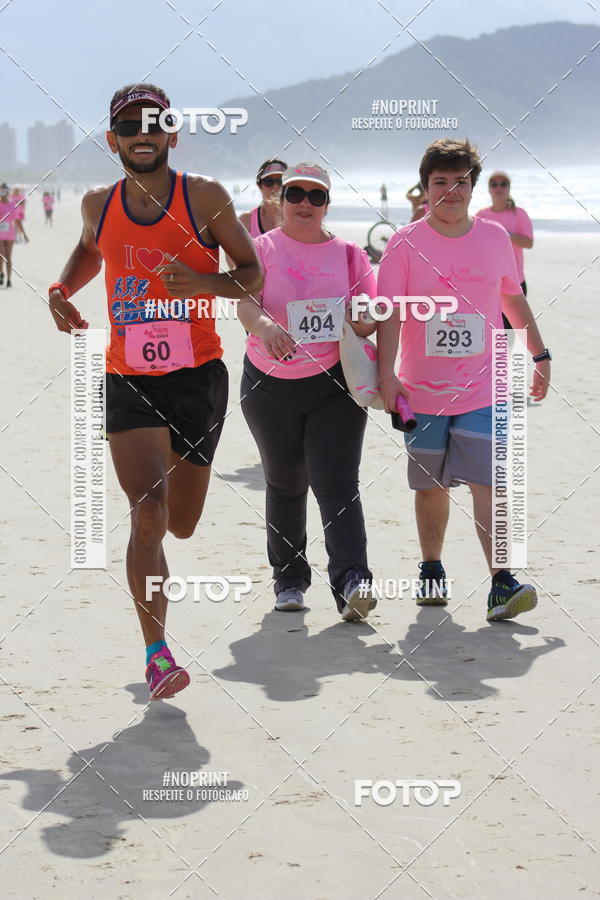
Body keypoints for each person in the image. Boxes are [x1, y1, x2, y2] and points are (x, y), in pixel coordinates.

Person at [48, 83, 262, 699]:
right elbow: (92, 250)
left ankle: (170, 534)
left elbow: (252, 274)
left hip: (197, 377)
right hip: (127, 376)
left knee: (184, 523)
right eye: (128, 125)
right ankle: (157, 654)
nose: (142, 133)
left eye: (154, 122)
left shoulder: (205, 198)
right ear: (112, 139)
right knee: (148, 515)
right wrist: (63, 290)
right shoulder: (98, 202)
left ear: (172, 134)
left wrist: (201, 282)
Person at [377, 138, 551, 622]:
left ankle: (502, 581)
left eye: (459, 183)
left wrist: (540, 353)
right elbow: (388, 313)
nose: (450, 192)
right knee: (429, 484)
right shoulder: (404, 242)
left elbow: (511, 299)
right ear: (426, 187)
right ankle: (431, 569)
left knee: (488, 482)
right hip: (422, 390)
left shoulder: (495, 238)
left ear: (472, 187)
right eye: (439, 183)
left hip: (483, 386)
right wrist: (387, 376)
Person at [237, 162, 378, 621]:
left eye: (316, 197)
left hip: (333, 383)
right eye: (295, 193)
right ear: (280, 200)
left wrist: (359, 319)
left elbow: (368, 312)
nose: (304, 203)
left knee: (337, 483)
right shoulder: (260, 247)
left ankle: (353, 580)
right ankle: (290, 581)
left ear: (326, 206)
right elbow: (244, 303)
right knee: (285, 483)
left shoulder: (350, 254)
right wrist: (265, 326)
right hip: (267, 383)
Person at [475, 171, 533, 328]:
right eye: (494, 184)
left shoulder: (519, 213)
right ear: (489, 189)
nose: (498, 187)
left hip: (515, 282)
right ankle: (499, 354)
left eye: (503, 184)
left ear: (509, 188)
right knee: (492, 332)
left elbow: (528, 243)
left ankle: (509, 354)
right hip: (489, 283)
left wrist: (503, 234)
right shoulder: (481, 215)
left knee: (513, 334)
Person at [239, 159, 287, 238]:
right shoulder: (246, 221)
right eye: (269, 182)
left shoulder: (298, 219)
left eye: (280, 181)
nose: (275, 186)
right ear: (260, 185)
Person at [0, 183, 17, 287]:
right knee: (1, 256)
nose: (2, 193)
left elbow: (16, 220)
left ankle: (9, 279)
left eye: (4, 191)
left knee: (8, 257)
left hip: (10, 233)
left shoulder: (12, 205)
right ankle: (1, 274)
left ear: (7, 192)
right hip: (0, 233)